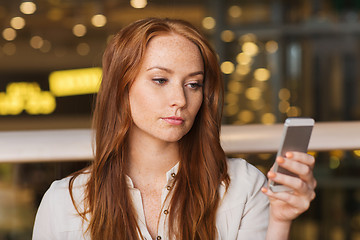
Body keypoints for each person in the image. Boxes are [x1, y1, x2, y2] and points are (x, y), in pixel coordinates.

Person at [32, 18, 316, 240]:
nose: (180, 100)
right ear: (121, 87)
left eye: (193, 84)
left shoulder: (243, 186)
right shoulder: (65, 202)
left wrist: (280, 221)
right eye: (160, 80)